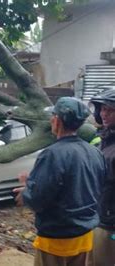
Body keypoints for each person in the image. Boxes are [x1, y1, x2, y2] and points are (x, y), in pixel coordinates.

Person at [14, 97, 106, 266]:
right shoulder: (94, 152)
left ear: (56, 121)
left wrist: (28, 189)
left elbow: (39, 199)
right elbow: (96, 187)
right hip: (85, 235)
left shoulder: (52, 154)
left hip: (57, 238)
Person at [89, 89, 115, 266]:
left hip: (110, 223)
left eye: (110, 110)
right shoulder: (105, 139)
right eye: (102, 109)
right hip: (99, 216)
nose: (104, 114)